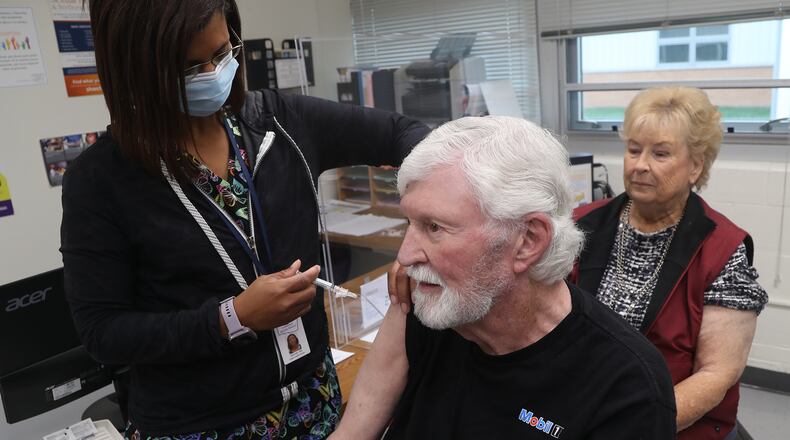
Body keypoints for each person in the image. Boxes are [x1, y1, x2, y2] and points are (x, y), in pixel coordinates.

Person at [60, 1, 429, 439]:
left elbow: (408, 136)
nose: (213, 73)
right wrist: (231, 318)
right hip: (201, 424)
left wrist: (423, 238)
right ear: (138, 71)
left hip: (314, 403)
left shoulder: (278, 122)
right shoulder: (101, 180)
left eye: (221, 53)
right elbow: (104, 332)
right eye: (190, 67)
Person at [330, 116, 677, 440]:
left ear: (528, 241)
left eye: (434, 227)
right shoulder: (424, 305)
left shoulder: (626, 387)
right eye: (411, 223)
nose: (405, 256)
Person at [570, 87, 768, 440]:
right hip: (579, 406)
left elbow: (715, 375)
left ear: (695, 166)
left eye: (660, 153)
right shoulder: (581, 225)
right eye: (633, 150)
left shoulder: (722, 248)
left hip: (666, 423)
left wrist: (629, 426)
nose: (640, 164)